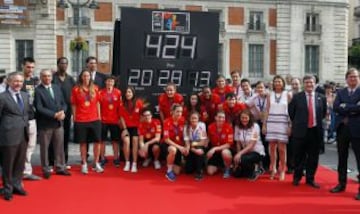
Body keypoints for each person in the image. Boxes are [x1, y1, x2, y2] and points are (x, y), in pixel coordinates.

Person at [288, 75, 326, 188]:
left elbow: (322, 113)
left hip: (315, 131)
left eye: (311, 82)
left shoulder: (321, 97)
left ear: (315, 83)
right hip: (300, 131)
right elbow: (291, 113)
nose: (309, 85)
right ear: (303, 84)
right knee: (299, 156)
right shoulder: (297, 97)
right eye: (307, 82)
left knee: (313, 157)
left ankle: (310, 178)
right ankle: (297, 177)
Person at [34, 69, 71, 179]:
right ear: (41, 77)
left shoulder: (56, 87)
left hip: (58, 123)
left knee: (59, 146)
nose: (47, 78)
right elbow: (39, 107)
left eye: (49, 76)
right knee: (44, 148)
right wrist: (55, 114)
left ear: (51, 77)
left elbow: (63, 103)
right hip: (45, 124)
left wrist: (63, 112)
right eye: (44, 76)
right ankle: (46, 169)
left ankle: (60, 167)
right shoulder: (37, 90)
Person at [330, 68, 360, 200]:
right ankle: (341, 184)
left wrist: (346, 107)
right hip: (343, 128)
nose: (353, 79)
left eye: (355, 77)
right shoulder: (341, 92)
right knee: (342, 158)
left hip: (357, 129)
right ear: (346, 79)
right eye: (350, 77)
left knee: (359, 159)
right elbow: (336, 107)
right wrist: (353, 108)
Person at [0, 72, 29, 201]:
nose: (18, 84)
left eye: (20, 81)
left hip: (23, 134)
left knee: (20, 162)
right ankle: (7, 188)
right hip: (8, 135)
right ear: (9, 82)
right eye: (15, 81)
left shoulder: (25, 95)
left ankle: (17, 185)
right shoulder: (2, 97)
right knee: (8, 163)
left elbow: (26, 113)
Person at [71, 69, 103, 174]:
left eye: (88, 76)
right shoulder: (76, 89)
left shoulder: (95, 88)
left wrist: (99, 116)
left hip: (94, 119)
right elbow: (74, 104)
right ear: (81, 77)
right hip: (81, 119)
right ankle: (84, 163)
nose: (86, 78)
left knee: (97, 142)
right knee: (83, 143)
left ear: (90, 77)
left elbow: (98, 103)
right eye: (84, 76)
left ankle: (96, 162)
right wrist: (75, 118)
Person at [263, 75, 291, 181]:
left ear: (283, 83)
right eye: (276, 81)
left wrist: (290, 125)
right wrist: (264, 124)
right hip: (272, 122)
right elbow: (266, 110)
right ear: (273, 83)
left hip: (283, 123)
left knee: (282, 149)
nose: (277, 83)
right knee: (272, 148)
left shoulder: (287, 94)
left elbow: (290, 111)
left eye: (279, 81)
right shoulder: (270, 95)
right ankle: (273, 168)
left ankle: (282, 169)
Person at [51, 57, 76, 169]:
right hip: (54, 112)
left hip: (67, 112)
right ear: (58, 64)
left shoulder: (70, 79)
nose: (64, 65)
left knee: (65, 137)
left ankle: (63, 161)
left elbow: (74, 96)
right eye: (62, 63)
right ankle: (52, 161)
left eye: (66, 63)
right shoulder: (52, 78)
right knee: (52, 137)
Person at [22, 57, 41, 180]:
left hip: (32, 118)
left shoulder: (35, 81)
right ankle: (22, 170)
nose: (30, 69)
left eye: (32, 67)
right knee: (21, 145)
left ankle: (26, 170)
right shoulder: (18, 80)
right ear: (22, 66)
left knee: (31, 145)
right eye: (28, 67)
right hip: (20, 118)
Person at [233, 109, 265, 181]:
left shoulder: (255, 126)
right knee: (236, 174)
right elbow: (238, 143)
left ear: (250, 118)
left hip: (256, 151)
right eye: (242, 118)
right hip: (245, 152)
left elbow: (252, 145)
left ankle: (257, 168)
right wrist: (238, 155)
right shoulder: (237, 126)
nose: (244, 120)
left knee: (243, 159)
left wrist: (239, 154)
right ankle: (251, 169)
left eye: (246, 118)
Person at [119, 86, 144, 173]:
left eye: (129, 92)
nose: (127, 94)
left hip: (136, 127)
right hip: (126, 127)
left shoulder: (139, 103)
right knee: (126, 141)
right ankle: (127, 162)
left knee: (135, 140)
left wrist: (139, 128)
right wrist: (125, 129)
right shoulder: (122, 104)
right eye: (126, 92)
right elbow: (121, 117)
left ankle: (134, 163)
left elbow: (142, 117)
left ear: (133, 93)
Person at [246, 81, 269, 171]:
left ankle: (267, 164)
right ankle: (261, 163)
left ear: (265, 88)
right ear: (255, 89)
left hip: (268, 122)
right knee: (260, 143)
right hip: (258, 122)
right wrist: (252, 115)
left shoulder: (268, 97)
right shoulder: (254, 98)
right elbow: (246, 105)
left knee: (267, 143)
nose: (260, 89)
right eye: (258, 88)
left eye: (261, 87)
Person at [99, 76, 122, 167]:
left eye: (111, 81)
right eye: (108, 81)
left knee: (115, 140)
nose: (110, 83)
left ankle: (116, 158)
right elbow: (98, 106)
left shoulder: (118, 92)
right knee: (102, 140)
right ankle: (103, 158)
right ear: (105, 82)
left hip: (115, 120)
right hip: (103, 120)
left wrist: (120, 118)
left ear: (114, 83)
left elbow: (120, 107)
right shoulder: (100, 92)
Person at [162, 104, 187, 181]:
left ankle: (170, 162)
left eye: (181, 111)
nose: (179, 113)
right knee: (173, 150)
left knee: (177, 171)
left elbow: (186, 136)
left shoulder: (183, 120)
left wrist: (186, 146)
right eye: (177, 111)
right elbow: (166, 139)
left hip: (179, 145)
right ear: (172, 112)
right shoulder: (166, 121)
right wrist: (180, 147)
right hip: (168, 145)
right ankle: (169, 171)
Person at [206, 110, 234, 179]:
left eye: (223, 117)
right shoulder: (210, 127)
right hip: (215, 152)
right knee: (210, 172)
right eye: (219, 117)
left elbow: (229, 144)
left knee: (225, 153)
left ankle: (227, 169)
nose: (221, 119)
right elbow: (207, 139)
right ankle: (221, 166)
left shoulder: (229, 127)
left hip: (224, 150)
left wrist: (214, 149)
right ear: (215, 118)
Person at [184, 111, 208, 180]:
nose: (194, 120)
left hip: (200, 146)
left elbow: (203, 142)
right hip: (192, 148)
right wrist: (190, 148)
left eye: (195, 118)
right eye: (192, 118)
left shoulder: (202, 125)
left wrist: (195, 145)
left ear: (198, 119)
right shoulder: (186, 127)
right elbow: (187, 142)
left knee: (199, 149)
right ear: (189, 119)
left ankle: (199, 171)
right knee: (188, 171)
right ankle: (195, 165)